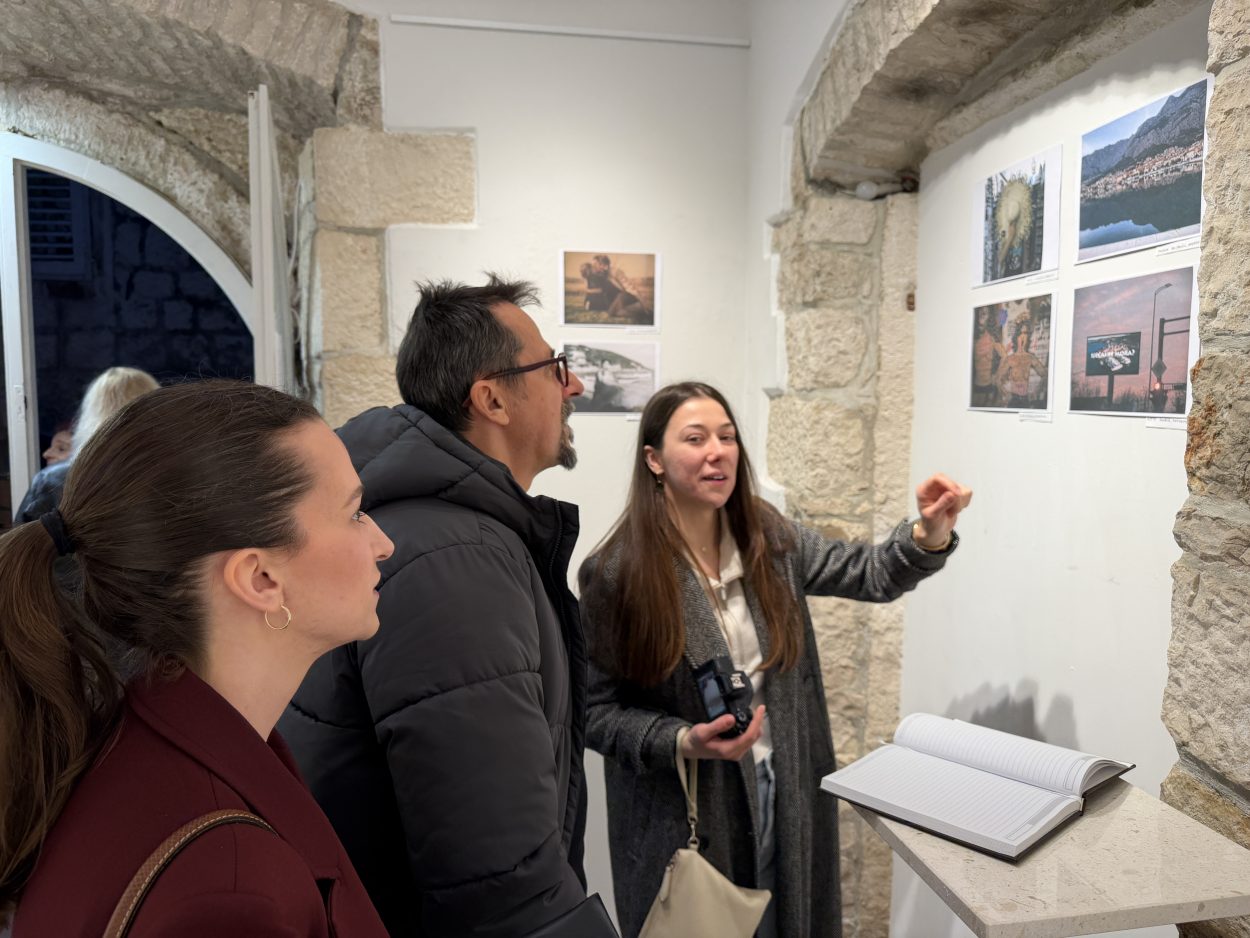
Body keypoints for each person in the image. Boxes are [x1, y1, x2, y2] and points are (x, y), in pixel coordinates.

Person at [280, 277, 617, 937]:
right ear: (492, 397)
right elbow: (498, 878)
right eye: (554, 369)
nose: (573, 386)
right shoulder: (452, 560)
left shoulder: (448, 534)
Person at [578, 381, 971, 938]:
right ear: (654, 460)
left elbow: (870, 572)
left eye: (728, 436)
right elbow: (594, 712)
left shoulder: (767, 537)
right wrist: (681, 740)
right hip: (692, 810)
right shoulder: (616, 573)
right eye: (695, 438)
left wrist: (927, 533)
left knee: (789, 923)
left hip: (784, 787)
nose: (718, 451)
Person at [1, 380, 395, 936]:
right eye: (354, 514)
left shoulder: (145, 738)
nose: (382, 542)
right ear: (260, 579)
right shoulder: (230, 892)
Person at [14, 366, 159, 524]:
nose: (47, 453)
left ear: (91, 414)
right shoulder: (177, 476)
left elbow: (21, 546)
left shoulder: (54, 481)